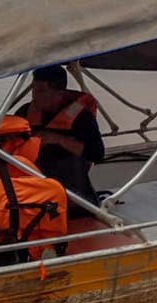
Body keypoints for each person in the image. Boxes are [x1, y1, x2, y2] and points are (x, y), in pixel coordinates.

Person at [15, 65, 105, 217]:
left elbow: (97, 154)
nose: (34, 95)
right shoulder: (25, 112)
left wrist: (57, 139)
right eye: (33, 89)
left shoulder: (81, 117)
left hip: (70, 185)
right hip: (33, 180)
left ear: (59, 93)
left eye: (41, 90)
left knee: (68, 164)